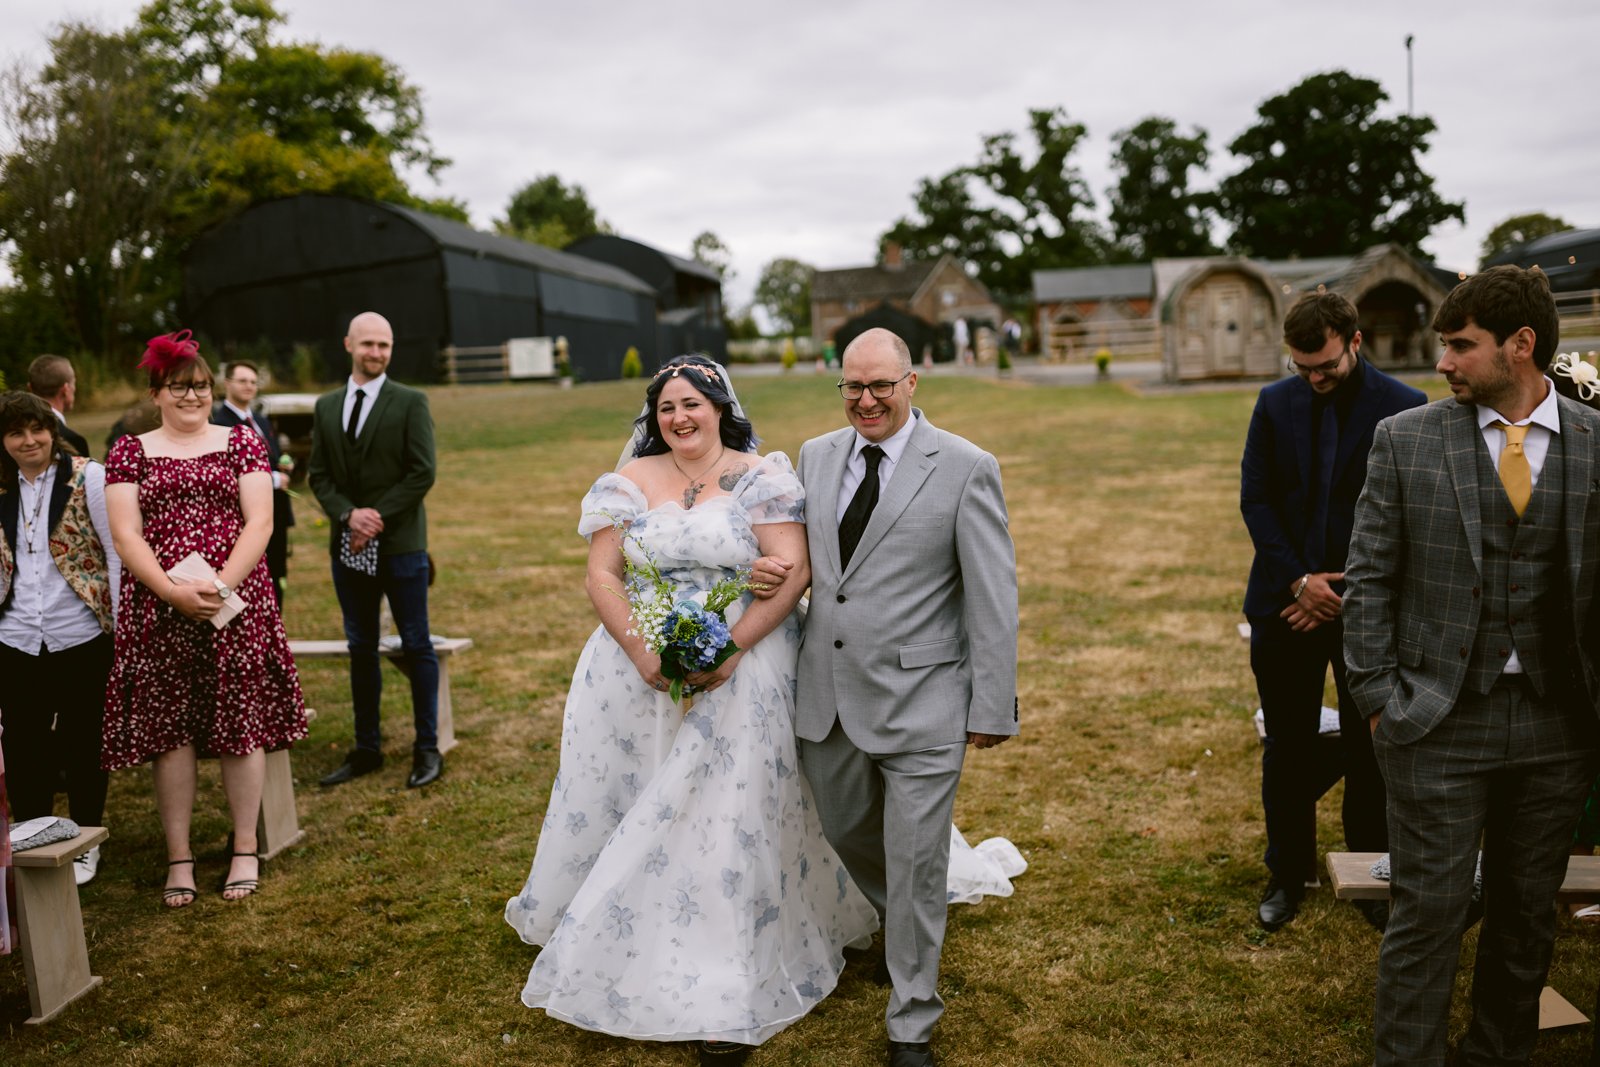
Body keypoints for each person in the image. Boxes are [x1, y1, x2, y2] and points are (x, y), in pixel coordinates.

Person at [504, 355, 879, 1066]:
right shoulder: (629, 482)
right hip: (633, 670)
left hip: (745, 666)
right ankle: (624, 921)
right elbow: (601, 572)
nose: (678, 417)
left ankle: (720, 970)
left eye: (691, 403)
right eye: (666, 406)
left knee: (722, 810)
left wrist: (730, 648)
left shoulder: (760, 475)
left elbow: (792, 568)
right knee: (635, 796)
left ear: (719, 406)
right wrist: (643, 651)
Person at [1344, 265, 1600, 1065]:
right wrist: (1381, 697)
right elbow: (1370, 579)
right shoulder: (1407, 438)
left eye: (1461, 345)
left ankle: (1497, 1052)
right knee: (1429, 914)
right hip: (1437, 714)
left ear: (1521, 346)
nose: (1444, 363)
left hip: (1561, 723)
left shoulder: (1596, 444)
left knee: (1528, 917)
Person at [752, 327, 1019, 1067]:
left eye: (881, 386)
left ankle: (912, 1021)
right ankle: (903, 917)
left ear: (912, 381)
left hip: (926, 697)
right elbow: (807, 559)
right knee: (844, 830)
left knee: (917, 856)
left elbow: (993, 595)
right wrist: (766, 573)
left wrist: (992, 705)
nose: (866, 401)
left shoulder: (967, 467)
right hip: (827, 694)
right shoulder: (815, 455)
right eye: (852, 387)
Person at [1239, 291, 1426, 932]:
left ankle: (1371, 871)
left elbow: (1404, 519)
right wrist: (1298, 583)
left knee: (1370, 745)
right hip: (1284, 605)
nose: (1314, 379)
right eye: (1302, 368)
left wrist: (1343, 594)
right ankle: (1286, 874)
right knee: (1286, 746)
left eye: (1325, 366)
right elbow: (1256, 500)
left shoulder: (1405, 408)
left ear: (1353, 341)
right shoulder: (1273, 403)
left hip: (1366, 608)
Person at [102, 331, 308, 907]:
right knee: (172, 734)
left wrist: (218, 587)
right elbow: (125, 534)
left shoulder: (242, 441)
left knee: (241, 725)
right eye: (179, 387)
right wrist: (172, 592)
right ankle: (180, 857)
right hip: (160, 607)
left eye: (200, 387)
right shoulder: (129, 451)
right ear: (156, 392)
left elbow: (260, 523)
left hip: (235, 604)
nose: (191, 397)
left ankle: (245, 846)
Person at [309, 312, 442, 790]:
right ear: (348, 344)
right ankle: (367, 748)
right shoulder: (325, 407)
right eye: (368, 344)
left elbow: (422, 471)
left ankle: (427, 748)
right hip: (347, 545)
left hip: (402, 544)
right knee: (360, 646)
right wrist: (348, 515)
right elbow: (318, 475)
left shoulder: (409, 401)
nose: (377, 353)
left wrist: (376, 516)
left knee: (416, 642)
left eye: (384, 345)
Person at [0, 391, 122, 885]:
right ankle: (33, 838)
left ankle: (86, 840)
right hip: (17, 633)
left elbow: (114, 550)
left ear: (52, 429)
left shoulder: (88, 476)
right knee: (25, 744)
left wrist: (119, 623)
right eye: (15, 433)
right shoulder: (2, 485)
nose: (29, 441)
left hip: (81, 630)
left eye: (37, 430)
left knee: (84, 740)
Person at [212, 360, 295, 606]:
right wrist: (275, 478)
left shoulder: (261, 420)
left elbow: (266, 456)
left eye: (253, 382)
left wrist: (281, 464)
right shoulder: (221, 424)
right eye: (242, 381)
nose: (249, 386)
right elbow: (228, 472)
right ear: (227, 384)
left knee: (278, 572)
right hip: (246, 515)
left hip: (275, 511)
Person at [27, 355, 90, 458]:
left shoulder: (11, 434)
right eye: (73, 383)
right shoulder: (72, 440)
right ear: (66, 389)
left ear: (30, 388)